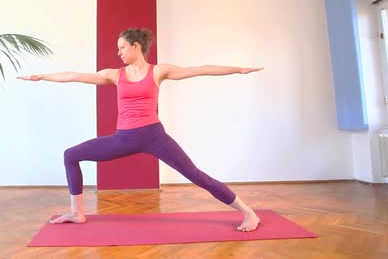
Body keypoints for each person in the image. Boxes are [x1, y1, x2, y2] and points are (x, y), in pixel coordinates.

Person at [17, 28, 264, 231]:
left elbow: (200, 69)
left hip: (155, 137)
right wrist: (41, 77)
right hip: (124, 139)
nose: (119, 52)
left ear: (136, 46)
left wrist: (239, 69)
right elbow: (75, 76)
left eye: (122, 47)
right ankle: (76, 212)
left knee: (196, 175)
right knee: (71, 155)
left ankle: (248, 212)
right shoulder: (115, 75)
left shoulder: (158, 71)